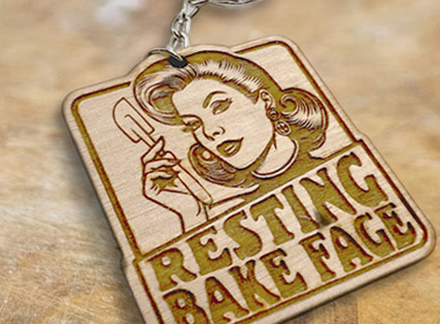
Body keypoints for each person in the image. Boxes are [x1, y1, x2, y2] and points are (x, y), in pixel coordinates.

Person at [131, 49, 330, 231]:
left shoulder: (338, 167)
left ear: (265, 101)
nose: (210, 131)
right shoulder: (235, 217)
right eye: (194, 124)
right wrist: (191, 213)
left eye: (219, 106)